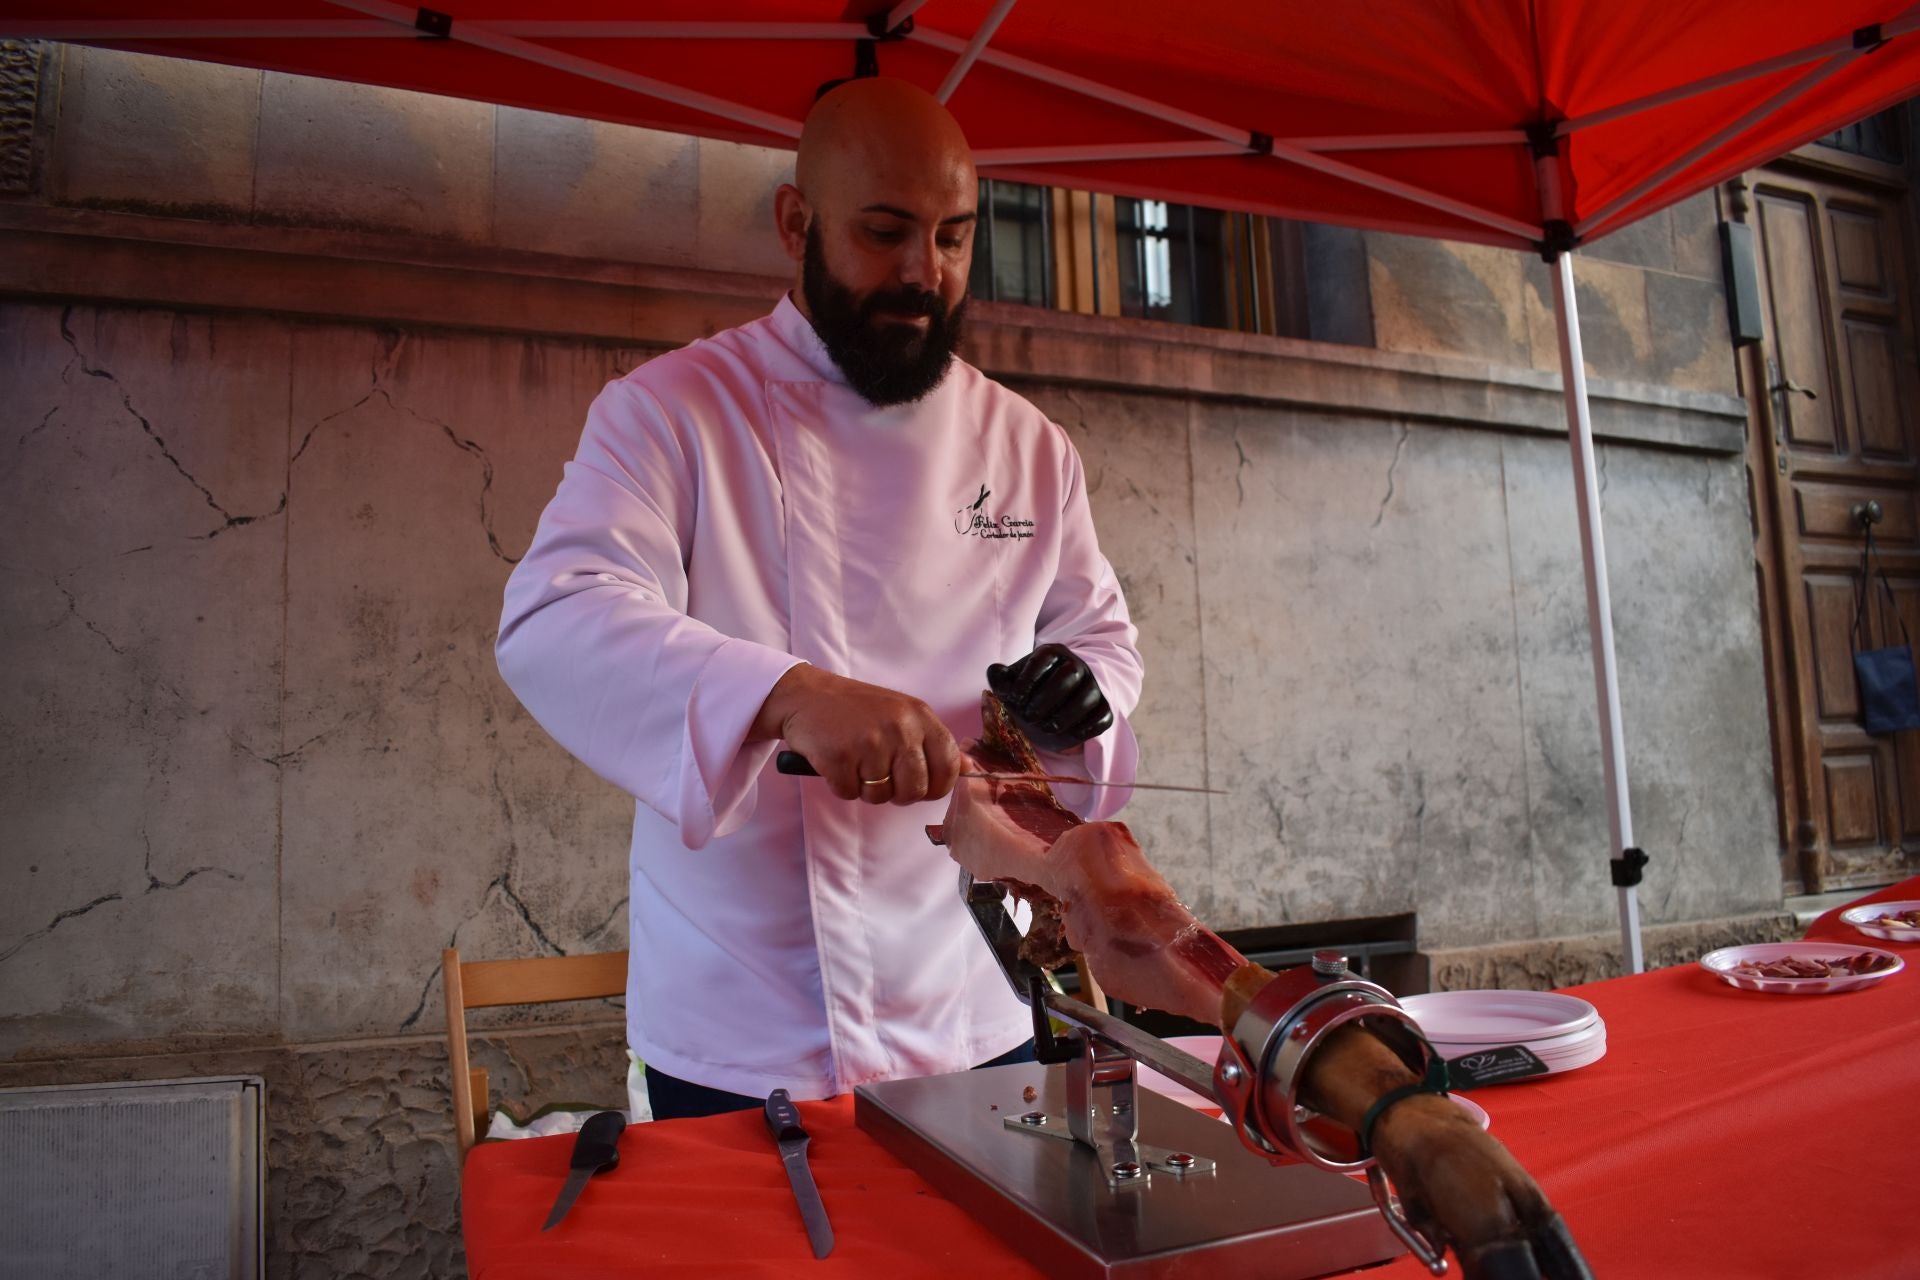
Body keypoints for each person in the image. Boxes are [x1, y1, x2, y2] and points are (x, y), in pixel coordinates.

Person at [496, 77, 1143, 1119]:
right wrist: (788, 692)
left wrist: (1081, 689)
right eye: (884, 233)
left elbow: (1097, 633)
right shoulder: (672, 412)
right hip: (745, 1023)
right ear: (797, 221)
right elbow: (557, 614)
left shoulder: (1029, 446)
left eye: (954, 239)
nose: (922, 273)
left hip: (974, 995)